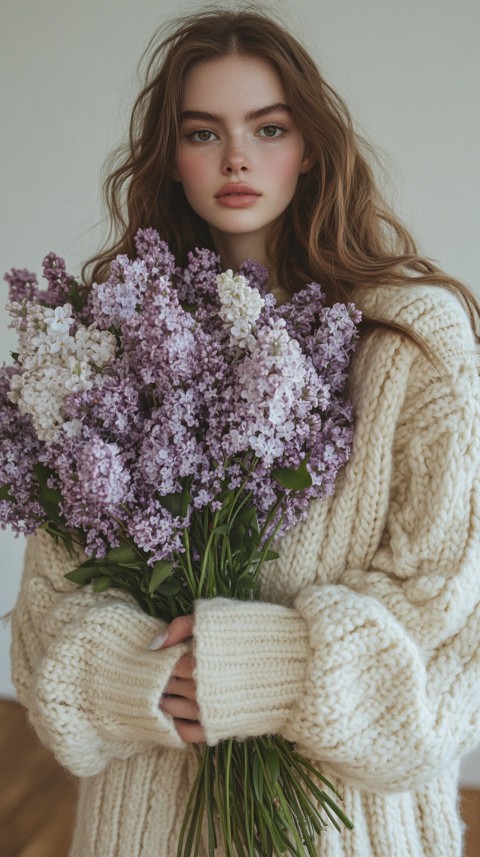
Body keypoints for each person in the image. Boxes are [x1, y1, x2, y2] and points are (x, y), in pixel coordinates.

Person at [10, 7, 480, 857]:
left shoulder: (414, 340)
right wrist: (135, 677)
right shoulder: (106, 350)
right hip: (142, 831)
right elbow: (46, 625)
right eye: (203, 131)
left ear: (310, 146)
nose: (236, 158)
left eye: (268, 127)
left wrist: (264, 666)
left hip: (349, 837)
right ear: (172, 159)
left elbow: (452, 645)